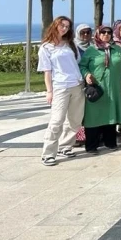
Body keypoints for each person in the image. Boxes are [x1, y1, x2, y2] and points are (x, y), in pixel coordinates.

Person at [38, 17, 84, 166]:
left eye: (67, 26)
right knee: (57, 120)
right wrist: (49, 91)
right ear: (55, 25)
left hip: (77, 84)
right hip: (60, 87)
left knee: (75, 120)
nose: (64, 28)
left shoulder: (71, 44)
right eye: (62, 25)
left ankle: (65, 146)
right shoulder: (46, 47)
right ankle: (48, 153)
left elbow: (77, 63)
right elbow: (47, 72)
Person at [79, 25, 121, 153]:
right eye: (103, 32)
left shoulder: (117, 49)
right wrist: (86, 75)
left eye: (109, 32)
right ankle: (92, 145)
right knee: (93, 116)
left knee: (111, 113)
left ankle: (110, 142)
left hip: (113, 88)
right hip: (97, 89)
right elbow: (82, 66)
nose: (106, 34)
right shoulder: (91, 50)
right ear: (97, 34)